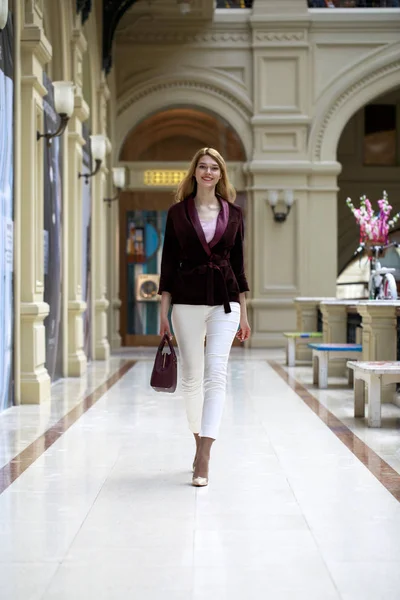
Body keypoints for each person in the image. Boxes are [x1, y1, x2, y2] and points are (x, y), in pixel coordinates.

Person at [158, 147, 251, 487]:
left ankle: (206, 454)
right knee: (193, 378)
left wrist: (244, 314)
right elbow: (168, 264)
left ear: (221, 174)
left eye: (214, 168)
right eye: (203, 167)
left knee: (216, 374)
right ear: (194, 172)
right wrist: (164, 312)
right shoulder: (177, 213)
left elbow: (239, 267)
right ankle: (198, 441)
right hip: (186, 302)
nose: (209, 172)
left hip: (226, 302)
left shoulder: (236, 214)